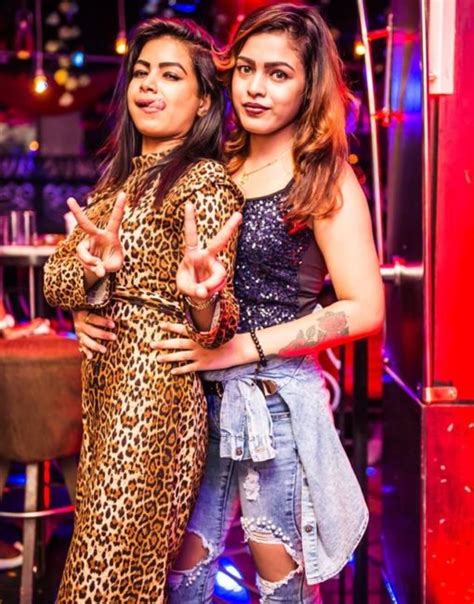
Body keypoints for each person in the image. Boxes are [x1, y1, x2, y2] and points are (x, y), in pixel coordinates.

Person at [76, 3, 384, 602]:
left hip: (271, 401)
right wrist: (92, 308)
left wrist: (241, 348)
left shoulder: (323, 177)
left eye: (278, 74)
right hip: (188, 399)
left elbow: (364, 307)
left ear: (309, 86)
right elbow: (147, 273)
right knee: (180, 572)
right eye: (246, 69)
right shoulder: (212, 165)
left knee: (279, 581)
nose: (256, 88)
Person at [43, 17, 243, 602]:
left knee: (105, 578)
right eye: (142, 72)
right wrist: (93, 277)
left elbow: (219, 321)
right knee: (113, 577)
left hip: (154, 396)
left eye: (171, 75)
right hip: (110, 393)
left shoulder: (203, 182)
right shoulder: (119, 183)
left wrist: (203, 299)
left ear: (203, 100)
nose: (149, 85)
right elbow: (56, 280)